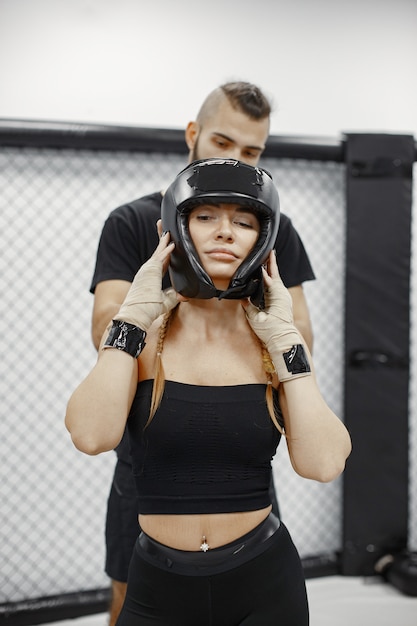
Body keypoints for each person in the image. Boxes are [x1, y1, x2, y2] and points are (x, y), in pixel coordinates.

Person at [66, 158, 351, 626]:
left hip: (264, 581)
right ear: (176, 227)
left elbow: (323, 464)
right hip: (157, 585)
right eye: (206, 217)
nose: (225, 232)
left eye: (243, 221)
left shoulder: (273, 344)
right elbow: (90, 435)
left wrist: (288, 344)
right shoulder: (142, 338)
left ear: (263, 237)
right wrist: (131, 318)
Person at [89, 81, 316, 623]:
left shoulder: (272, 232)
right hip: (153, 433)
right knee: (130, 585)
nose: (235, 160)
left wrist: (261, 337)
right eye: (222, 142)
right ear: (193, 135)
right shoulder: (135, 222)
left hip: (240, 437)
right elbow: (105, 322)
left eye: (252, 151)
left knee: (251, 575)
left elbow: (300, 330)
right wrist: (159, 310)